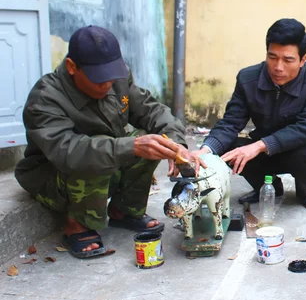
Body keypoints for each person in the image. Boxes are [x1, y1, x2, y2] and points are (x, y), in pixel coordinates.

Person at [15, 25, 204, 259]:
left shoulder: (117, 80)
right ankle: (78, 224)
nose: (106, 85)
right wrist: (131, 146)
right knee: (107, 147)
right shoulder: (44, 99)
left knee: (151, 140)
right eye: (98, 79)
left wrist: (177, 146)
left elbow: (152, 111)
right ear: (72, 67)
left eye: (111, 77)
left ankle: (123, 210)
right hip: (53, 179)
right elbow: (68, 152)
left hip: (105, 169)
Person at [194, 18, 306, 210]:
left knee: (305, 154)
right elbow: (230, 123)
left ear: (303, 60)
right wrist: (205, 151)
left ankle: (305, 188)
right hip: (264, 150)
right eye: (272, 57)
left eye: (288, 60)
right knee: (227, 150)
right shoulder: (247, 78)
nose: (278, 67)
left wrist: (260, 145)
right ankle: (268, 186)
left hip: (303, 149)